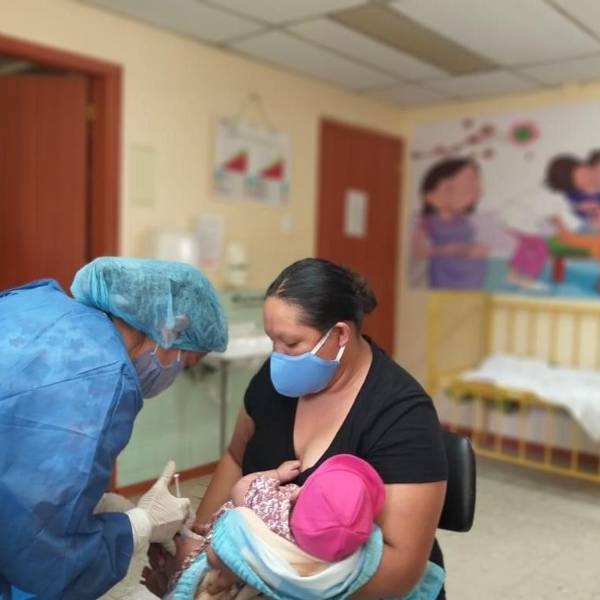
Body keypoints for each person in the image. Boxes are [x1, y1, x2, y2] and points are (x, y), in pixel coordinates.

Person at [190, 258, 448, 599]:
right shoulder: (274, 382)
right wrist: (197, 547)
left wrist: (263, 572)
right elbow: (236, 458)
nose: (278, 356)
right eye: (272, 340)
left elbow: (401, 571)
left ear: (340, 335)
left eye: (291, 344)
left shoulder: (402, 415)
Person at [0, 256, 228, 600]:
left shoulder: (38, 303)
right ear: (169, 332)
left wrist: (98, 507)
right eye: (185, 363)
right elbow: (47, 560)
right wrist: (140, 524)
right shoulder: (106, 380)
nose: (175, 375)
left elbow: (20, 461)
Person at [143, 455, 385, 597]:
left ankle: (163, 582)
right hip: (254, 587)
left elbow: (240, 488)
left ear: (297, 495)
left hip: (218, 560)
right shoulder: (332, 567)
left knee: (179, 554)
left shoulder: (274, 505)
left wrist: (276, 475)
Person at [413, 157, 488, 289]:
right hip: (445, 272)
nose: (475, 194)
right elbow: (419, 251)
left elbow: (470, 240)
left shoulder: (463, 219)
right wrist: (449, 250)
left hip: (472, 273)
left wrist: (479, 249)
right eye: (450, 188)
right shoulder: (428, 222)